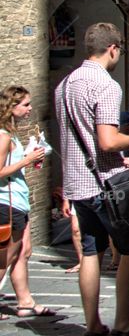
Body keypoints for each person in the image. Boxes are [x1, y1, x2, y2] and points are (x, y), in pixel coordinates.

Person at [54, 23, 129, 336]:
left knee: (90, 252)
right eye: (120, 49)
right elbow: (107, 140)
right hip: (105, 186)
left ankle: (93, 325)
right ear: (112, 48)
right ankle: (124, 323)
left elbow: (79, 138)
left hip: (77, 184)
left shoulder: (65, 85)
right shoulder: (106, 85)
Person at [0, 86, 54, 318]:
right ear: (11, 107)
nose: (30, 108)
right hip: (7, 203)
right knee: (7, 256)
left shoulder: (10, 134)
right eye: (25, 104)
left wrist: (29, 156)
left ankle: (25, 302)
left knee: (23, 251)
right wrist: (27, 160)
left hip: (20, 202)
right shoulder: (3, 136)